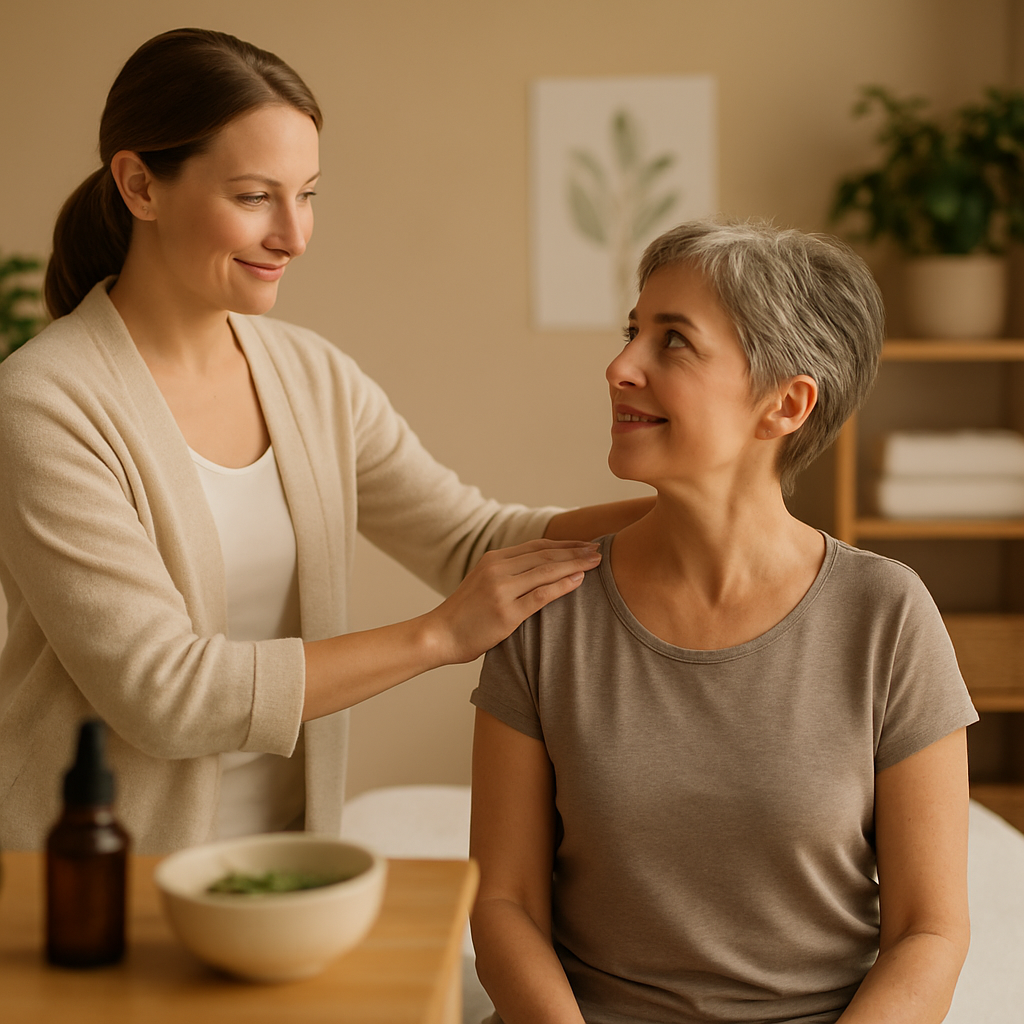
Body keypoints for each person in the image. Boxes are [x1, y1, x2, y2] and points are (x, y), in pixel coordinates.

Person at [0, 28, 649, 855]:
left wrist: (691, 511)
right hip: (90, 881)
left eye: (306, 195)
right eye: (253, 197)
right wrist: (437, 636)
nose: (294, 235)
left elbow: (471, 541)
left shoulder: (311, 376)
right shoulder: (45, 402)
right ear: (139, 186)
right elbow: (163, 694)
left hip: (283, 868)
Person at [469, 220, 978, 1024]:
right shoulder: (549, 603)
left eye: (673, 341)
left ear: (785, 405)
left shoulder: (886, 614)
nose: (620, 366)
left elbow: (930, 930)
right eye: (633, 331)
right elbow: (505, 902)